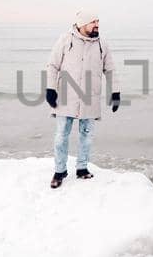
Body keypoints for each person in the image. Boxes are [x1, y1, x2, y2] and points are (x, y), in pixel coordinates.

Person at [45, 10, 119, 188]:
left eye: (98, 21)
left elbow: (110, 70)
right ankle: (60, 171)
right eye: (93, 22)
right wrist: (50, 88)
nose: (97, 25)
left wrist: (115, 92)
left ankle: (82, 168)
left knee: (87, 135)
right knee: (61, 135)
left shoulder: (102, 44)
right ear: (82, 23)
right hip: (66, 96)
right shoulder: (65, 40)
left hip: (90, 97)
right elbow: (53, 65)